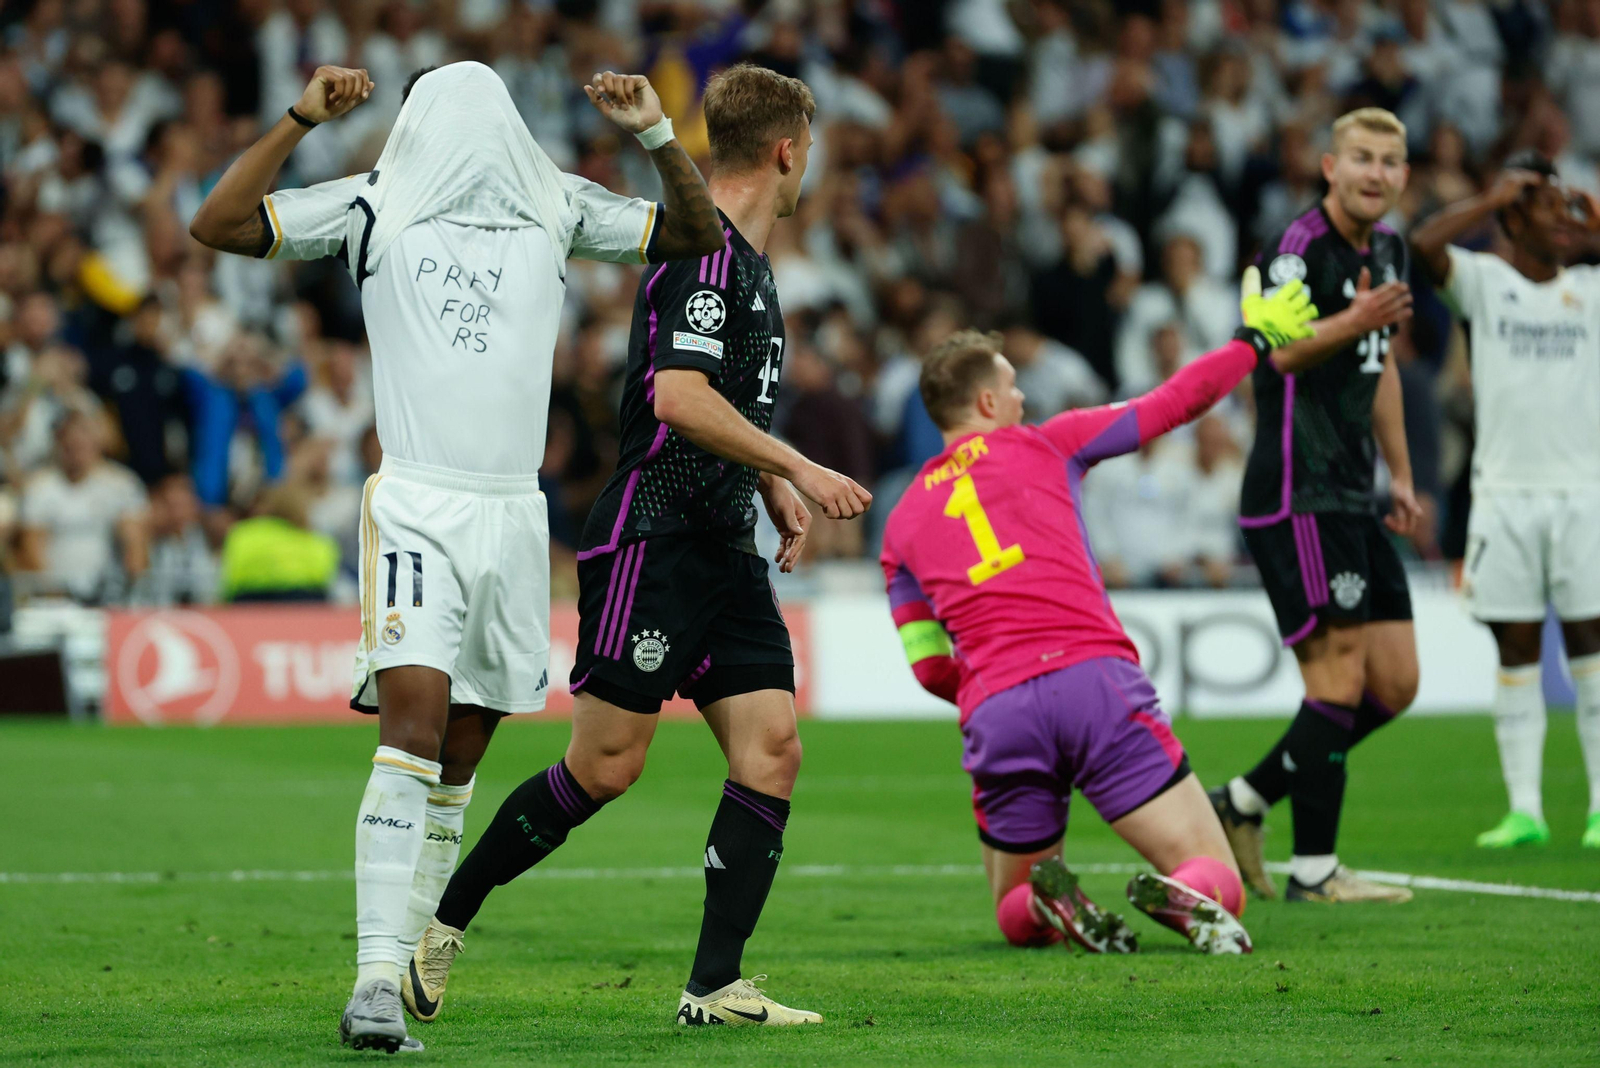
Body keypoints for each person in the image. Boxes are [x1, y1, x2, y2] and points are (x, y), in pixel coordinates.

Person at [187, 61, 724, 1052]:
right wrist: (302, 115)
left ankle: (408, 955)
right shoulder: (371, 207)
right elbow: (217, 224)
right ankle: (372, 984)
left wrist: (657, 134)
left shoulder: (553, 206)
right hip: (423, 503)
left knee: (465, 749)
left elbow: (696, 235)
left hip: (515, 514)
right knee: (414, 726)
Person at [409, 64, 872, 1029]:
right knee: (607, 768)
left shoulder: (750, 262)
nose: (807, 168)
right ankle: (441, 919)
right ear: (788, 150)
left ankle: (714, 986)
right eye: (809, 152)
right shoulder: (702, 252)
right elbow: (677, 400)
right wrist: (804, 465)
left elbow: (720, 414)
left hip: (724, 546)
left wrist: (768, 482)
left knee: (772, 749)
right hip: (651, 538)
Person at [878, 267, 1317, 956]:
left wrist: (988, 688)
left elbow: (931, 665)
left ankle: (1049, 902)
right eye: (1015, 386)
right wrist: (1251, 341)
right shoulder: (1052, 442)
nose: (1025, 397)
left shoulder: (901, 522)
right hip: (1093, 681)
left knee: (1014, 902)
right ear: (988, 400)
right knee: (1217, 874)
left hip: (999, 705)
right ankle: (1189, 892)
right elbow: (1175, 401)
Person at [1209, 108, 1421, 904]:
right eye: (1361, 158)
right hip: (1295, 492)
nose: (1375, 173)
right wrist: (1356, 316)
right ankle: (1316, 872)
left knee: (1394, 684)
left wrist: (1399, 474)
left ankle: (1244, 801)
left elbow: (1382, 365)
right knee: (1335, 681)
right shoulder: (1295, 251)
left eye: (1390, 162)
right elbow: (1274, 350)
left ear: (1403, 174)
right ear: (1330, 167)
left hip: (1353, 491)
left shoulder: (1390, 250)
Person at [1409, 151, 1600, 851]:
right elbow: (1423, 247)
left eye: (1565, 208)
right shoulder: (1485, 283)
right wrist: (1493, 198)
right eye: (1546, 208)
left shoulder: (1590, 287)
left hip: (1584, 494)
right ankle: (1525, 811)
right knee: (1515, 647)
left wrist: (1593, 221)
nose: (1564, 220)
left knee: (1592, 645)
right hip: (1504, 497)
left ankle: (1599, 809)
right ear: (1515, 219)